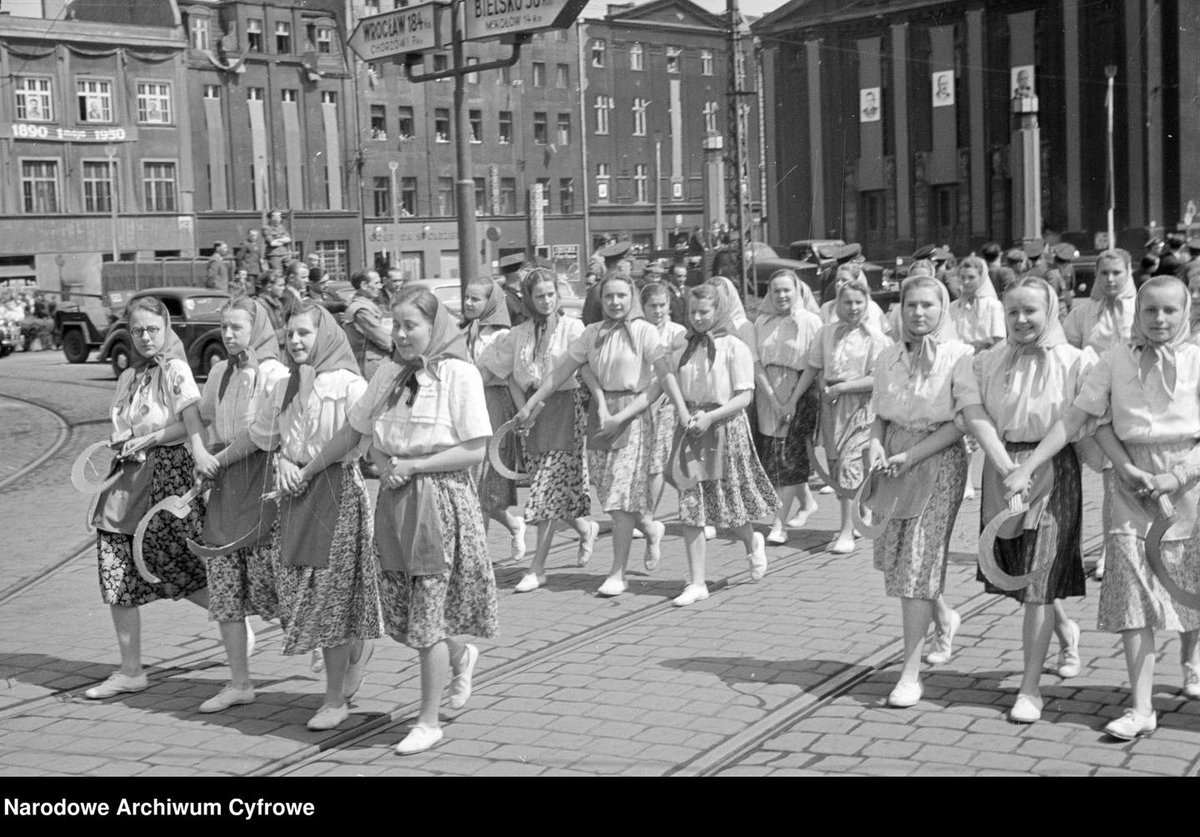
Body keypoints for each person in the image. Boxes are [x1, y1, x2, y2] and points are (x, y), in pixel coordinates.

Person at [300, 286, 499, 755]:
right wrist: (313, 469)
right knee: (407, 616)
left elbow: (475, 448)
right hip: (395, 500)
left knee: (428, 614)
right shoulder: (389, 371)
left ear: (435, 327)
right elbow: (357, 428)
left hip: (439, 504)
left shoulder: (458, 373)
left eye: (412, 325)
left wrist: (413, 466)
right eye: (398, 324)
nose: (402, 334)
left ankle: (428, 721)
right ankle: (459, 654)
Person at [1006, 276, 1200, 738]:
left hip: (1189, 485)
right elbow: (1082, 417)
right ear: (1138, 313)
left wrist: (1178, 475)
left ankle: (1191, 660)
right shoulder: (1114, 359)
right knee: (1135, 594)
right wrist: (1033, 464)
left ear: (1185, 312)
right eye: (1150, 310)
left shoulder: (1197, 360)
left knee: (1188, 584)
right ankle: (1140, 706)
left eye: (1169, 311)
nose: (1158, 319)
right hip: (1131, 485)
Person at [958, 278, 1091, 723]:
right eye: (1012, 311)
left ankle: (1029, 688)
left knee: (1038, 575)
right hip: (1002, 467)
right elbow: (974, 414)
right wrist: (1003, 465)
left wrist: (1028, 467)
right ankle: (1066, 629)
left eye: (1030, 311)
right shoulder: (985, 362)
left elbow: (1072, 420)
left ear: (1050, 310)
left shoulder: (1074, 361)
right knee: (1018, 569)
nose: (1021, 320)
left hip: (1052, 467)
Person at [246, 302, 382, 731]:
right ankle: (355, 649)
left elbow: (354, 440)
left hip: (336, 493)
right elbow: (265, 438)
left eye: (304, 332)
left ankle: (335, 699)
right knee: (294, 591)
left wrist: (301, 467)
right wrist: (283, 460)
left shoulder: (350, 385)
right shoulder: (286, 384)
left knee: (329, 598)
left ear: (324, 335)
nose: (296, 341)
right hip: (294, 497)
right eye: (290, 334)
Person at [516, 273, 689, 597]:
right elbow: (561, 372)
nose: (615, 302)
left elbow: (664, 376)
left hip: (632, 417)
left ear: (632, 297)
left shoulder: (643, 331)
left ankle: (618, 572)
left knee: (622, 497)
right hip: (599, 417)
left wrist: (681, 411)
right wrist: (530, 405)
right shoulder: (592, 333)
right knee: (608, 494)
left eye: (622, 295)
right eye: (609, 296)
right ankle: (651, 529)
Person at [84, 297, 213, 700]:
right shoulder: (128, 376)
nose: (144, 337)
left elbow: (192, 425)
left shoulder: (175, 370)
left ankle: (230, 612)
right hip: (125, 482)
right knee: (115, 571)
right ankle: (131, 669)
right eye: (137, 330)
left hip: (164, 479)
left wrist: (154, 438)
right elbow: (126, 423)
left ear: (166, 327)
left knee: (179, 563)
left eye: (152, 329)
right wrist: (120, 441)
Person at [864, 276, 974, 708]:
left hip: (936, 459)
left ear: (942, 308)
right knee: (902, 557)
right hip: (892, 459)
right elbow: (880, 415)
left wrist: (913, 456)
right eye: (911, 304)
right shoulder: (888, 356)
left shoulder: (959, 355)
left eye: (928, 305)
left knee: (916, 560)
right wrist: (875, 444)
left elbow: (959, 423)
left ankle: (909, 673)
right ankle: (943, 615)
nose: (918, 313)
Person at [192, 298, 290, 713]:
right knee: (226, 589)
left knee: (282, 584)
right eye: (224, 327)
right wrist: (199, 451)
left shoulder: (274, 373)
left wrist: (220, 457)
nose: (228, 335)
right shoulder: (219, 372)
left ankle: (337, 648)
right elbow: (197, 415)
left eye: (237, 327)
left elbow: (268, 435)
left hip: (265, 485)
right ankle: (240, 682)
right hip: (227, 490)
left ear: (258, 328)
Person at [482, 268, 600, 591]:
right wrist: (523, 408)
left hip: (564, 411)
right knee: (548, 490)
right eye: (539, 296)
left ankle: (537, 568)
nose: (546, 301)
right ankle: (584, 528)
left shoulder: (573, 328)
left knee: (545, 492)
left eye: (551, 294)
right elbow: (507, 373)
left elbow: (578, 370)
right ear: (529, 299)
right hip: (532, 419)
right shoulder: (518, 334)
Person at [670, 283, 778, 605]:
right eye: (693, 312)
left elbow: (744, 395)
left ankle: (751, 540)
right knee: (691, 503)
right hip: (691, 427)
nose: (699, 318)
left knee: (729, 502)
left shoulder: (734, 347)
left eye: (705, 312)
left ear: (719, 311)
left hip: (724, 427)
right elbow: (669, 380)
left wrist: (712, 416)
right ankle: (697, 581)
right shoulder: (683, 345)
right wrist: (685, 413)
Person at [794, 276, 890, 553]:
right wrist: (794, 399)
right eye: (847, 302)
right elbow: (813, 367)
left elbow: (878, 379)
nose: (853, 307)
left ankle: (846, 531)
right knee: (838, 466)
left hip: (861, 406)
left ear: (867, 303)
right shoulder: (825, 333)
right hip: (830, 406)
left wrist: (843, 387)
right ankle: (862, 510)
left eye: (859, 302)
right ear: (837, 304)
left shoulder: (875, 337)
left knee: (850, 464)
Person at [1062, 249, 1137, 581]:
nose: (1110, 279)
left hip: (1126, 404)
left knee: (1114, 483)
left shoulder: (1139, 309)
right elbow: (1067, 353)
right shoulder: (1084, 312)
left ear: (1129, 272)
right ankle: (1068, 548)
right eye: (1104, 273)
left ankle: (1110, 550)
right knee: (1076, 476)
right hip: (1090, 402)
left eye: (1116, 273)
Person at [753, 269, 824, 545]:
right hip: (768, 393)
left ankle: (778, 524)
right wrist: (772, 398)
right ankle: (806, 502)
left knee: (787, 460)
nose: (781, 296)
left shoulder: (810, 322)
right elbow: (756, 361)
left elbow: (813, 365)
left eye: (787, 290)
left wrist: (792, 400)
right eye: (776, 290)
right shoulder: (762, 321)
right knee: (776, 457)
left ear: (797, 292)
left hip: (799, 391)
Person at [461, 278, 526, 563]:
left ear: (490, 303)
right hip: (469, 407)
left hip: (492, 406)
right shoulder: (469, 329)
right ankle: (513, 524)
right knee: (476, 485)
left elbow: (486, 374)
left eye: (475, 299)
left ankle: (478, 556)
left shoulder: (502, 335)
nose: (468, 303)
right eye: (466, 297)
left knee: (482, 482)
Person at [640, 282, 689, 543]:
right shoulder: (637, 328)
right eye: (652, 306)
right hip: (641, 402)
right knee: (665, 468)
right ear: (643, 306)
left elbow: (676, 369)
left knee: (656, 464)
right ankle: (694, 503)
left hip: (667, 403)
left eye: (662, 305)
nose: (658, 311)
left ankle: (648, 516)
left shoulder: (676, 332)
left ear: (669, 306)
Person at [342, 269, 392, 381]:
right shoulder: (361, 310)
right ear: (364, 285)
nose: (380, 287)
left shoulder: (365, 306)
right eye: (376, 283)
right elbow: (385, 340)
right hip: (372, 365)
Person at [256, 271, 288, 351]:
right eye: (280, 285)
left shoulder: (278, 303)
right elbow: (262, 335)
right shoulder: (260, 305)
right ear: (269, 287)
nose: (283, 288)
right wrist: (285, 331)